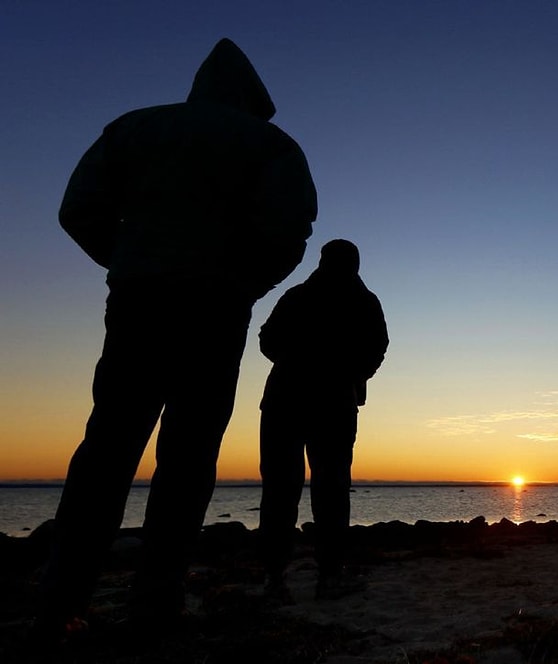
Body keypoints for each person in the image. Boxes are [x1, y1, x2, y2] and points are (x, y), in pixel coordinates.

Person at [39, 38, 317, 637]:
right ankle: (156, 599)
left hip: (138, 302)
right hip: (215, 310)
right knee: (188, 457)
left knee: (106, 448)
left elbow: (76, 209)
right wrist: (243, 283)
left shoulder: (134, 129)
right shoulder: (271, 144)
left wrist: (128, 260)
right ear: (250, 96)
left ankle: (61, 600)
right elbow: (291, 232)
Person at [258, 240, 388, 600]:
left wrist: (296, 362)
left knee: (286, 491)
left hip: (293, 400)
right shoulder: (362, 301)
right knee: (325, 491)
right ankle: (319, 576)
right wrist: (350, 373)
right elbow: (378, 347)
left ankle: (279, 577)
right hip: (324, 404)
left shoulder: (299, 296)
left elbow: (267, 340)